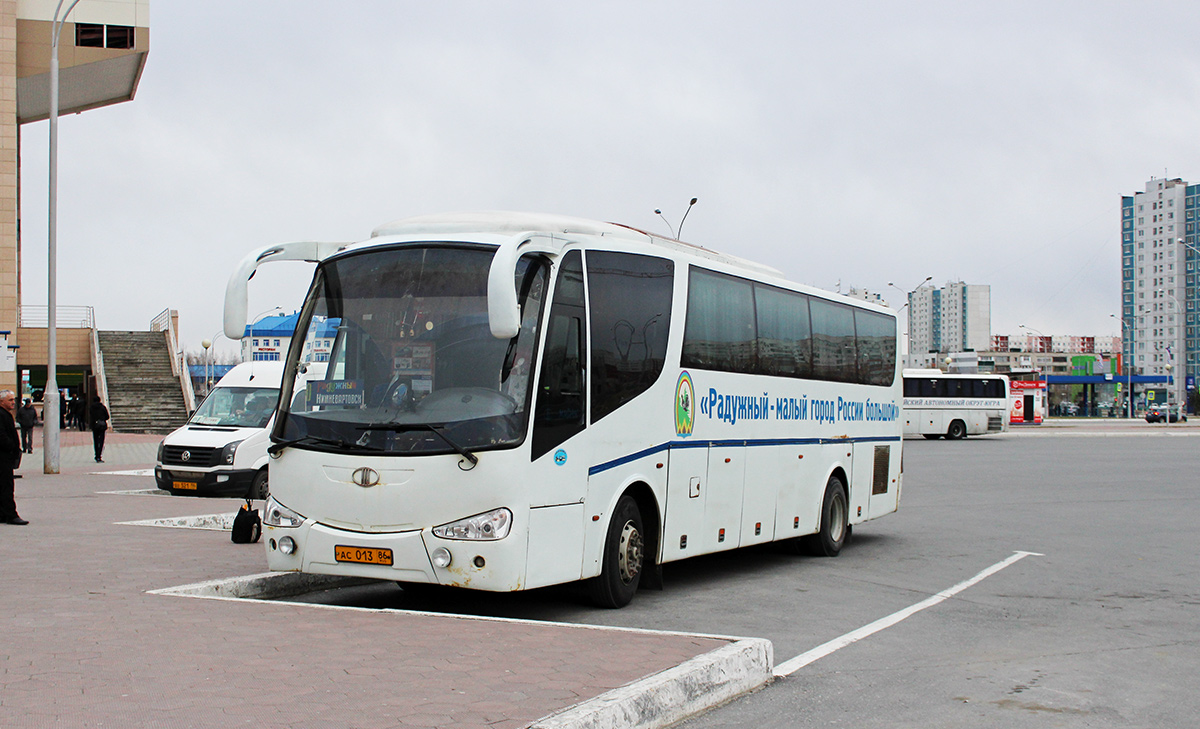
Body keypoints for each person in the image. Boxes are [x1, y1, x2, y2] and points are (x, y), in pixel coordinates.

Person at [0, 389, 27, 525]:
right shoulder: (1, 415)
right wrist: (12, 447)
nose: (13, 402)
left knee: (3, 486)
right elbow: (2, 436)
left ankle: (3, 514)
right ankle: (10, 514)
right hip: (3, 456)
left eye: (13, 400)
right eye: (10, 400)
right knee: (6, 486)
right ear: (1, 401)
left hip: (6, 456)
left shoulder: (6, 414)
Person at [90, 395, 110, 463]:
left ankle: (96, 455)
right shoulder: (102, 407)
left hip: (95, 426)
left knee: (96, 440)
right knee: (101, 441)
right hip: (102, 426)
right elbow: (107, 417)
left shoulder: (91, 408)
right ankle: (99, 455)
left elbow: (91, 416)